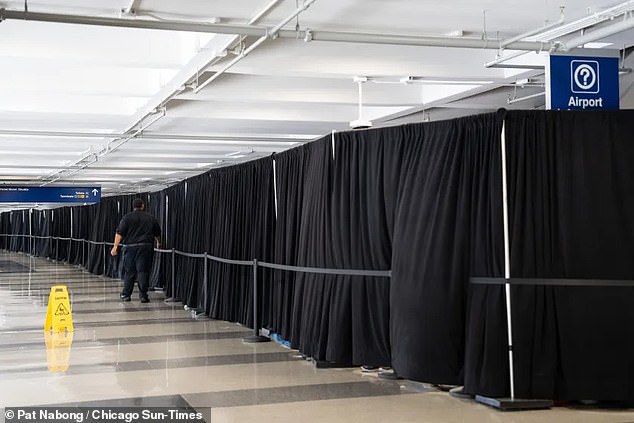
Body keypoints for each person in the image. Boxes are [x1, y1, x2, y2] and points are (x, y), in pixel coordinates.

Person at [111, 198, 161, 303]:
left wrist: (115, 247)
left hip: (131, 248)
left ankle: (126, 295)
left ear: (133, 206)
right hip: (145, 247)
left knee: (130, 272)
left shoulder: (127, 218)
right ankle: (143, 296)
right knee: (143, 272)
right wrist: (158, 242)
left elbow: (119, 233)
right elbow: (157, 232)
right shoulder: (150, 217)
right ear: (142, 205)